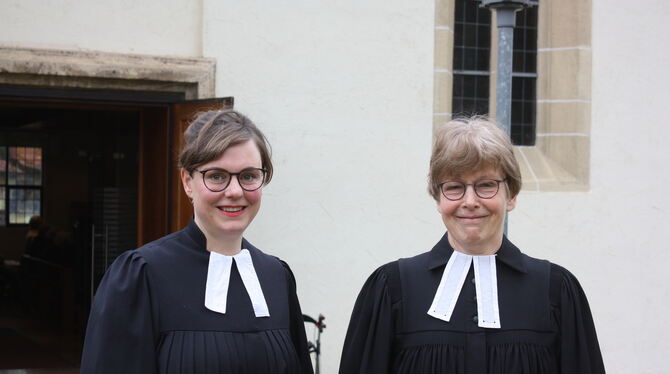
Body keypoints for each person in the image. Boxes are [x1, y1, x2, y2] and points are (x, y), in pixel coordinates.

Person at [339, 117, 605, 374]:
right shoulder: (392, 288)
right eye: (454, 187)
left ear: (510, 195)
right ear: (438, 199)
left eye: (486, 185)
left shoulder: (556, 292)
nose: (469, 201)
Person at [81, 110, 313, 374]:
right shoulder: (142, 275)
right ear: (187, 182)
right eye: (216, 176)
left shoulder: (276, 277)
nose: (235, 191)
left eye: (248, 176)